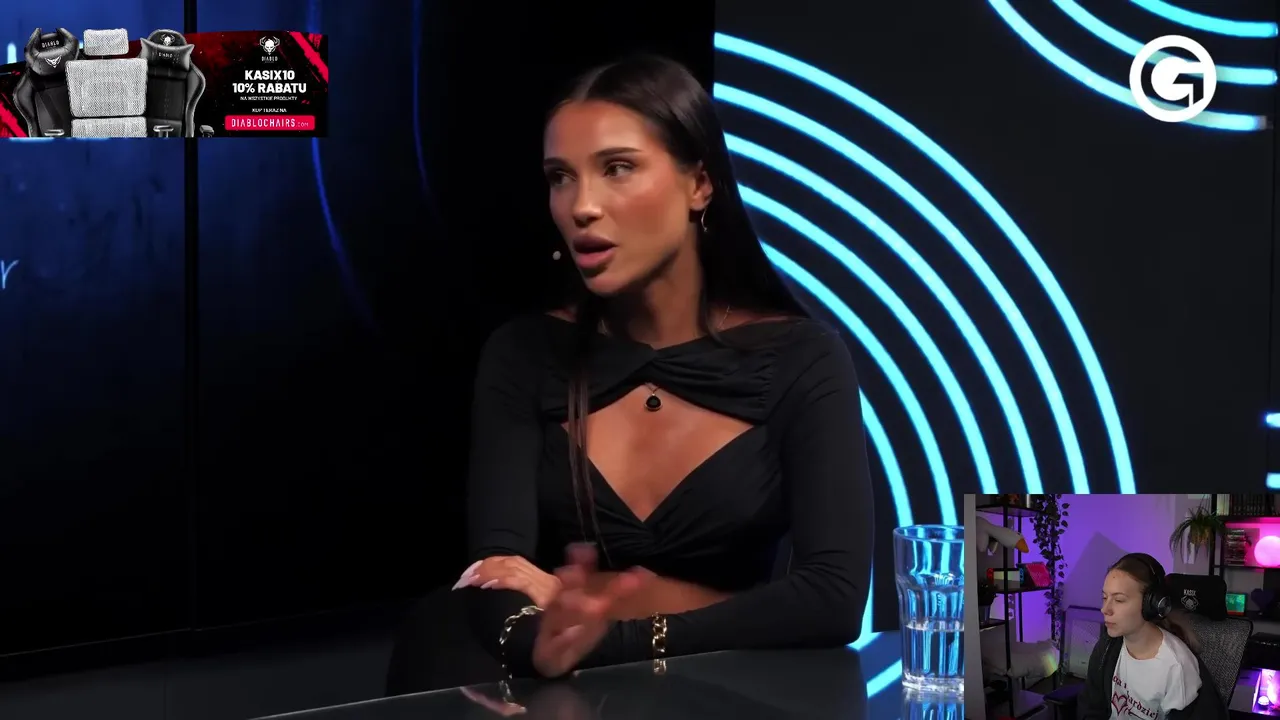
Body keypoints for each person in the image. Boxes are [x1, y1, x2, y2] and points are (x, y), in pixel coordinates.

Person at [385, 53, 873, 695]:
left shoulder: (802, 358)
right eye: (560, 178)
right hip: (543, 696)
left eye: (617, 168)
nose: (581, 206)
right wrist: (545, 642)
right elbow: (495, 576)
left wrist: (612, 631)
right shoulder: (523, 353)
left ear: (700, 184)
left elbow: (830, 601)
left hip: (730, 697)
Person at [1080, 553, 1226, 720]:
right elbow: (1092, 708)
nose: (1105, 609)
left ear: (1152, 604)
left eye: (1119, 600)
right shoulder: (1108, 646)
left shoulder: (1176, 667)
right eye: (1104, 598)